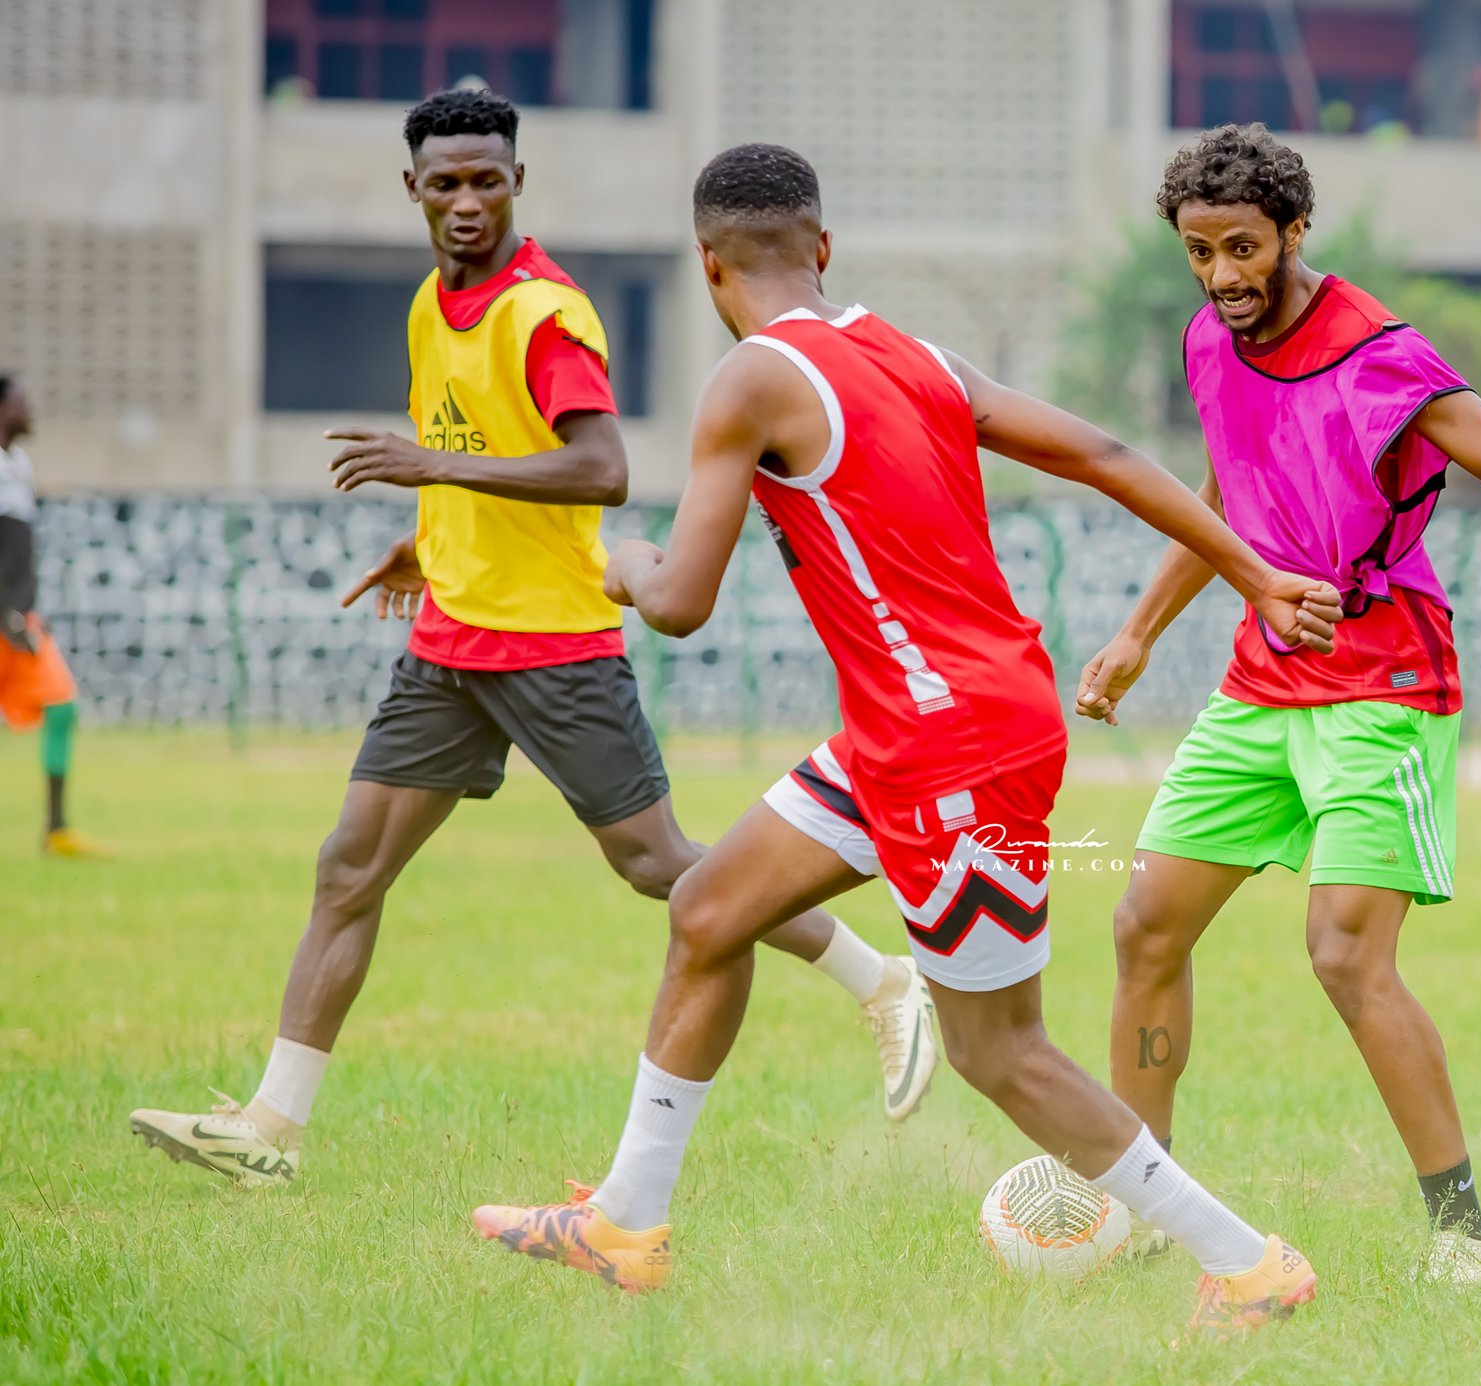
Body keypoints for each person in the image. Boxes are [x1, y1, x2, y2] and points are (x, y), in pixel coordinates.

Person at [472, 143, 1338, 1333]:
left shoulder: (748, 381)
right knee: (710, 910)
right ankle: (626, 1222)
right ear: (822, 250)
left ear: (706, 265)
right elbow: (1105, 455)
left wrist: (621, 563)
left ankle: (1247, 1265)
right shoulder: (915, 353)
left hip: (946, 749)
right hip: (922, 726)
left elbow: (678, 601)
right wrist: (1256, 576)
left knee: (1000, 1051)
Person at [128, 92, 937, 1187]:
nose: (467, 201)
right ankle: (271, 1129)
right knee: (348, 867)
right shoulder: (431, 304)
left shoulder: (547, 313)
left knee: (658, 866)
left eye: (487, 180)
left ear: (518, 182)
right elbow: (475, 443)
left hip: (554, 644)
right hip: (450, 640)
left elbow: (601, 469)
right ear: (411, 189)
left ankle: (880, 980)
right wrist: (430, 541)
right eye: (445, 183)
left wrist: (431, 469)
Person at [1075, 124, 1481, 1283]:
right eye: (1199, 253)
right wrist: (1136, 631)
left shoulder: (1378, 354)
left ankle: (1463, 1237)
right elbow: (1228, 489)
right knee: (1143, 925)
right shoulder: (1209, 341)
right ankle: (1142, 1208)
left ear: (1294, 230)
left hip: (1384, 687)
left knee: (1343, 956)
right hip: (1260, 680)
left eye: (1243, 248)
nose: (1221, 276)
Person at [0, 374, 104, 858]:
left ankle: (56, 830)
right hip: (6, 618)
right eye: (22, 402)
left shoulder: (18, 465)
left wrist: (19, 613)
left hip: (20, 620)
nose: (31, 411)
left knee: (61, 704)